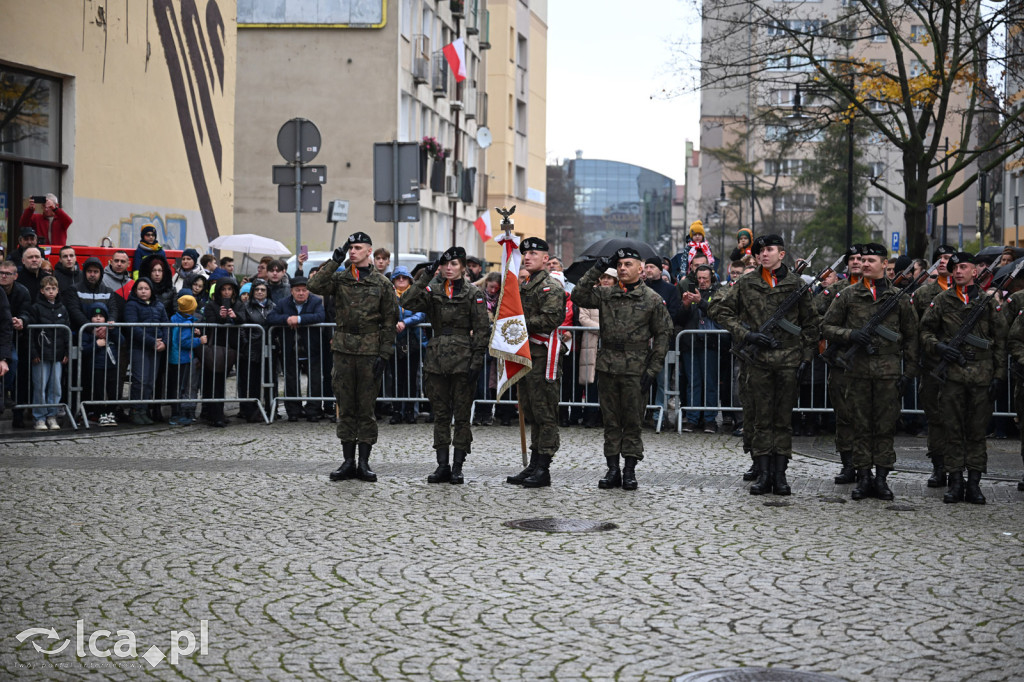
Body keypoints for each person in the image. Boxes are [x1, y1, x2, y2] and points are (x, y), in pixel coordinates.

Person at [713, 234, 820, 496]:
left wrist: (806, 358)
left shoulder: (797, 285)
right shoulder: (747, 282)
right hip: (757, 361)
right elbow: (719, 310)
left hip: (788, 361)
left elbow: (811, 324)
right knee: (761, 419)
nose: (763, 254)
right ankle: (762, 474)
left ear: (782, 254)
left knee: (782, 420)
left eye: (769, 250)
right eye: (760, 251)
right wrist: (746, 334)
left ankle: (780, 475)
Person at [822, 244, 919, 501]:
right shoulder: (848, 295)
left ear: (884, 264)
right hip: (857, 371)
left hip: (888, 373)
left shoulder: (898, 298)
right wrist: (851, 334)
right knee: (860, 426)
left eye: (870, 260)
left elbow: (911, 338)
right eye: (862, 260)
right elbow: (827, 327)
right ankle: (864, 477)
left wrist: (908, 373)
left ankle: (882, 479)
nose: (864, 264)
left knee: (885, 427)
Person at [571, 248, 672, 490]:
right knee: (611, 421)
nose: (623, 268)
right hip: (608, 367)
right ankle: (612, 469)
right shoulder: (606, 295)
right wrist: (597, 267)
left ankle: (629, 470)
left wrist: (653, 369)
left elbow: (663, 334)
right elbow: (578, 295)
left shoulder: (652, 299)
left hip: (636, 369)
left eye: (628, 264)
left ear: (641, 268)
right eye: (620, 265)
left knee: (633, 421)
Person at [309, 232, 399, 482]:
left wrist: (385, 353)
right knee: (345, 406)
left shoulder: (382, 284)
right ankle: (348, 461)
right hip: (344, 349)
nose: (352, 251)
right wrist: (333, 261)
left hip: (370, 350)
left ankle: (364, 462)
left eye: (358, 248)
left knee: (366, 408)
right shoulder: (340, 279)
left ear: (369, 251)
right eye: (350, 248)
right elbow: (314, 286)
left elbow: (391, 320)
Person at [920, 252, 1007, 504]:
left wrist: (999, 375)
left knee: (977, 432)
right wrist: (938, 347)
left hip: (981, 376)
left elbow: (1000, 340)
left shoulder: (988, 302)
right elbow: (925, 330)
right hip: (952, 377)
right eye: (955, 267)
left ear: (974, 272)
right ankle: (956, 482)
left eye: (964, 267)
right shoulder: (942, 300)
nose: (958, 271)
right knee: (953, 431)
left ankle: (975, 484)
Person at [402, 247, 490, 484]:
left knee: (461, 416)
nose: (448, 268)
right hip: (437, 358)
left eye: (453, 264)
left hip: (463, 358)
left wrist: (477, 360)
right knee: (440, 415)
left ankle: (458, 466)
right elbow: (406, 300)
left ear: (463, 267)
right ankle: (442, 465)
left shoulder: (474, 293)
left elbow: (482, 329)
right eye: (445, 264)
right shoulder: (433, 290)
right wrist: (426, 276)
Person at [504, 237, 566, 488]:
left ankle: (544, 467)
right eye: (525, 253)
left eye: (533, 253)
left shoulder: (550, 286)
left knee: (545, 412)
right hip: (527, 356)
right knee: (530, 409)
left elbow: (551, 318)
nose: (527, 257)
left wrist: (518, 324)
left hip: (542, 356)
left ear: (545, 259)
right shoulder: (526, 285)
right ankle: (534, 462)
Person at [912, 244, 957, 487]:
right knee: (936, 419)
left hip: (962, 367)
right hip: (932, 366)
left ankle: (958, 469)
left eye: (947, 257)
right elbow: (915, 330)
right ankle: (939, 467)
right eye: (939, 258)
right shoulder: (922, 294)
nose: (942, 261)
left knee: (960, 419)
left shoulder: (971, 294)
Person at [268, 276, 327, 422]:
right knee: (291, 379)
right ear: (291, 291)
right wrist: (287, 319)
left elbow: (320, 316)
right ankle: (293, 410)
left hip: (312, 347)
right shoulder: (283, 303)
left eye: (304, 290)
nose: (301, 293)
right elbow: (271, 317)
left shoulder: (316, 301)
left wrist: (299, 319)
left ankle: (313, 410)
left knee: (314, 379)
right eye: (297, 290)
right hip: (290, 348)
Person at [679, 264, 722, 433]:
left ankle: (710, 419)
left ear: (711, 278)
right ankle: (692, 418)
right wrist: (686, 306)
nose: (702, 282)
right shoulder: (689, 292)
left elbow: (719, 312)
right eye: (700, 278)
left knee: (710, 383)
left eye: (705, 278)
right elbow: (680, 319)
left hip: (710, 343)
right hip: (691, 343)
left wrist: (701, 302)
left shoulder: (717, 292)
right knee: (693, 383)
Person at [25, 275, 70, 430]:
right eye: (48, 289)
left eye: (53, 288)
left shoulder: (62, 309)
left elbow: (66, 332)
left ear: (58, 290)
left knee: (55, 387)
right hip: (41, 353)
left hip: (57, 354)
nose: (51, 292)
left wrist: (67, 351)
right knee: (40, 387)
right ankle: (39, 417)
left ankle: (52, 415)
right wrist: (33, 353)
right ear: (42, 291)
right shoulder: (36, 308)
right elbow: (30, 333)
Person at [123, 277, 169, 425]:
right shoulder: (131, 305)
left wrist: (165, 343)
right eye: (140, 289)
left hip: (156, 348)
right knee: (139, 380)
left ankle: (143, 410)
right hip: (139, 347)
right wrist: (151, 341)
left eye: (146, 288)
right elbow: (133, 327)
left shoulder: (159, 305)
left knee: (150, 381)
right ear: (135, 291)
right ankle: (135, 410)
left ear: (151, 290)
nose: (143, 291)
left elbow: (166, 325)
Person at [578, 268, 617, 429]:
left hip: (612, 345)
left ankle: (606, 417)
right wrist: (603, 329)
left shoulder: (619, 296)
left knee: (610, 383)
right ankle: (591, 416)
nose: (606, 280)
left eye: (609, 277)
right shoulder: (591, 295)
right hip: (592, 343)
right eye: (603, 277)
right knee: (592, 383)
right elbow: (583, 317)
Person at [201, 277, 242, 427]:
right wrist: (222, 317)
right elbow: (212, 321)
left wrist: (234, 316)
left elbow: (244, 318)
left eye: (229, 289)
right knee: (214, 381)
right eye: (223, 289)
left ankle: (218, 412)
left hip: (230, 347)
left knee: (221, 381)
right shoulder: (211, 305)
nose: (226, 292)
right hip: (215, 347)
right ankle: (214, 414)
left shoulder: (237, 304)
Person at [389, 266, 426, 425]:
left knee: (412, 378)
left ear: (410, 279)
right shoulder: (389, 295)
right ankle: (396, 411)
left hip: (413, 342)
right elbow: (384, 312)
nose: (401, 280)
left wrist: (405, 322)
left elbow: (421, 313)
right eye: (398, 278)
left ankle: (410, 412)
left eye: (404, 277)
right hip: (394, 342)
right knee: (397, 379)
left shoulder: (416, 294)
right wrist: (393, 322)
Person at [235, 278, 276, 423]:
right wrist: (246, 344)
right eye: (257, 289)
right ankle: (252, 411)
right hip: (252, 348)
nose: (259, 292)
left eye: (263, 290)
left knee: (271, 379)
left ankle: (272, 410)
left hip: (270, 348)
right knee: (252, 381)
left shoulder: (273, 306)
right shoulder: (245, 306)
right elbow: (241, 327)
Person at [168, 294, 206, 426]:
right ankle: (178, 414)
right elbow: (184, 342)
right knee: (181, 387)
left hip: (174, 357)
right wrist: (198, 340)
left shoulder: (175, 318)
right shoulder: (187, 323)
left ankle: (176, 413)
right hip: (182, 358)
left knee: (177, 387)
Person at [80, 303, 120, 427]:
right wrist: (96, 345)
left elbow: (122, 341)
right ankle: (101, 414)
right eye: (95, 316)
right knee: (98, 392)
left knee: (113, 391)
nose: (98, 318)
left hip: (112, 366)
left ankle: (111, 413)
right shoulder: (87, 332)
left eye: (101, 316)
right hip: (97, 367)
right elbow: (84, 349)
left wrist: (112, 331)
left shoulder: (111, 330)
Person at [67, 257, 122, 331]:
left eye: (96, 272)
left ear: (101, 273)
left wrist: (108, 325)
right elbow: (75, 312)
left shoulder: (108, 291)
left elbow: (113, 310)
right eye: (89, 271)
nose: (92, 275)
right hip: (82, 335)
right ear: (84, 273)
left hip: (104, 334)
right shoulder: (75, 289)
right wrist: (91, 329)